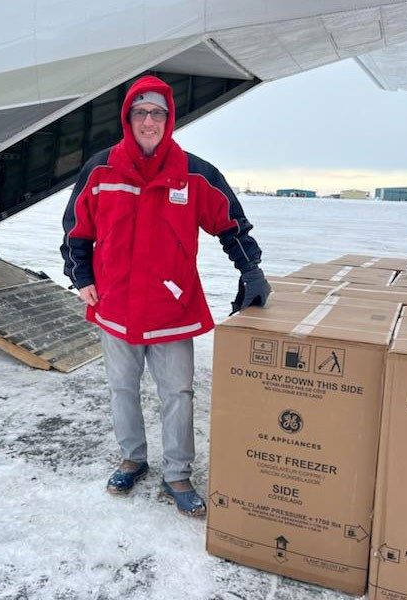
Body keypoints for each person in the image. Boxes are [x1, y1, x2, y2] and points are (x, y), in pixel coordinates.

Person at [61, 75, 270, 518]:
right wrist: (81, 277)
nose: (150, 120)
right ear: (128, 118)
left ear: (169, 118)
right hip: (115, 305)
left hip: (172, 307)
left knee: (178, 393)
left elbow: (231, 224)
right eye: (141, 112)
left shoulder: (195, 174)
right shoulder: (100, 170)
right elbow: (76, 231)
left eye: (158, 112)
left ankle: (178, 473)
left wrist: (250, 270)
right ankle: (132, 458)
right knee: (122, 388)